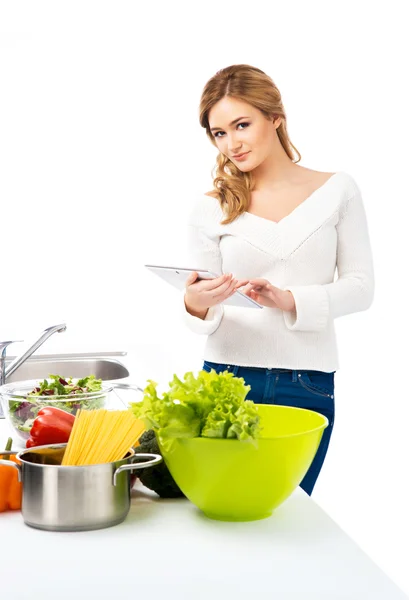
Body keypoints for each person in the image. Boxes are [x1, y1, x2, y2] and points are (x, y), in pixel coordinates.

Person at [181, 64, 375, 496]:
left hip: (307, 381)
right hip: (225, 377)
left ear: (275, 119)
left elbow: (362, 287)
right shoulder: (210, 208)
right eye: (219, 133)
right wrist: (195, 302)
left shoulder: (337, 191)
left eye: (242, 125)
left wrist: (291, 300)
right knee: (224, 507)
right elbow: (201, 310)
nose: (232, 143)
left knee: (288, 514)